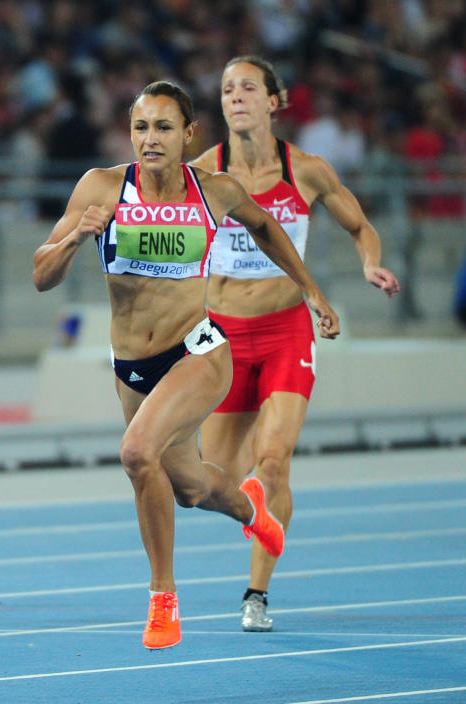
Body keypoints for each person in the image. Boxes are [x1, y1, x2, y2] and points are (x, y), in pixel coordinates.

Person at [31, 80, 340, 650]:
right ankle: (253, 510)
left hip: (199, 351)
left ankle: (163, 599)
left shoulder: (214, 191)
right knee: (191, 489)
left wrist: (311, 291)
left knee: (135, 453)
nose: (151, 139)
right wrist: (76, 235)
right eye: (141, 127)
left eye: (164, 127)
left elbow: (267, 226)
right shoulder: (101, 187)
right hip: (133, 365)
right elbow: (41, 274)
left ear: (188, 135)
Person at [191, 56, 400, 633]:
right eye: (227, 88)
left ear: (274, 101)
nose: (235, 97)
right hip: (223, 337)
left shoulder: (306, 170)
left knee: (275, 461)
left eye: (248, 88)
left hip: (286, 329)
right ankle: (250, 506)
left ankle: (256, 594)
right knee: (210, 481)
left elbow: (359, 225)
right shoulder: (203, 173)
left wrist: (369, 264)